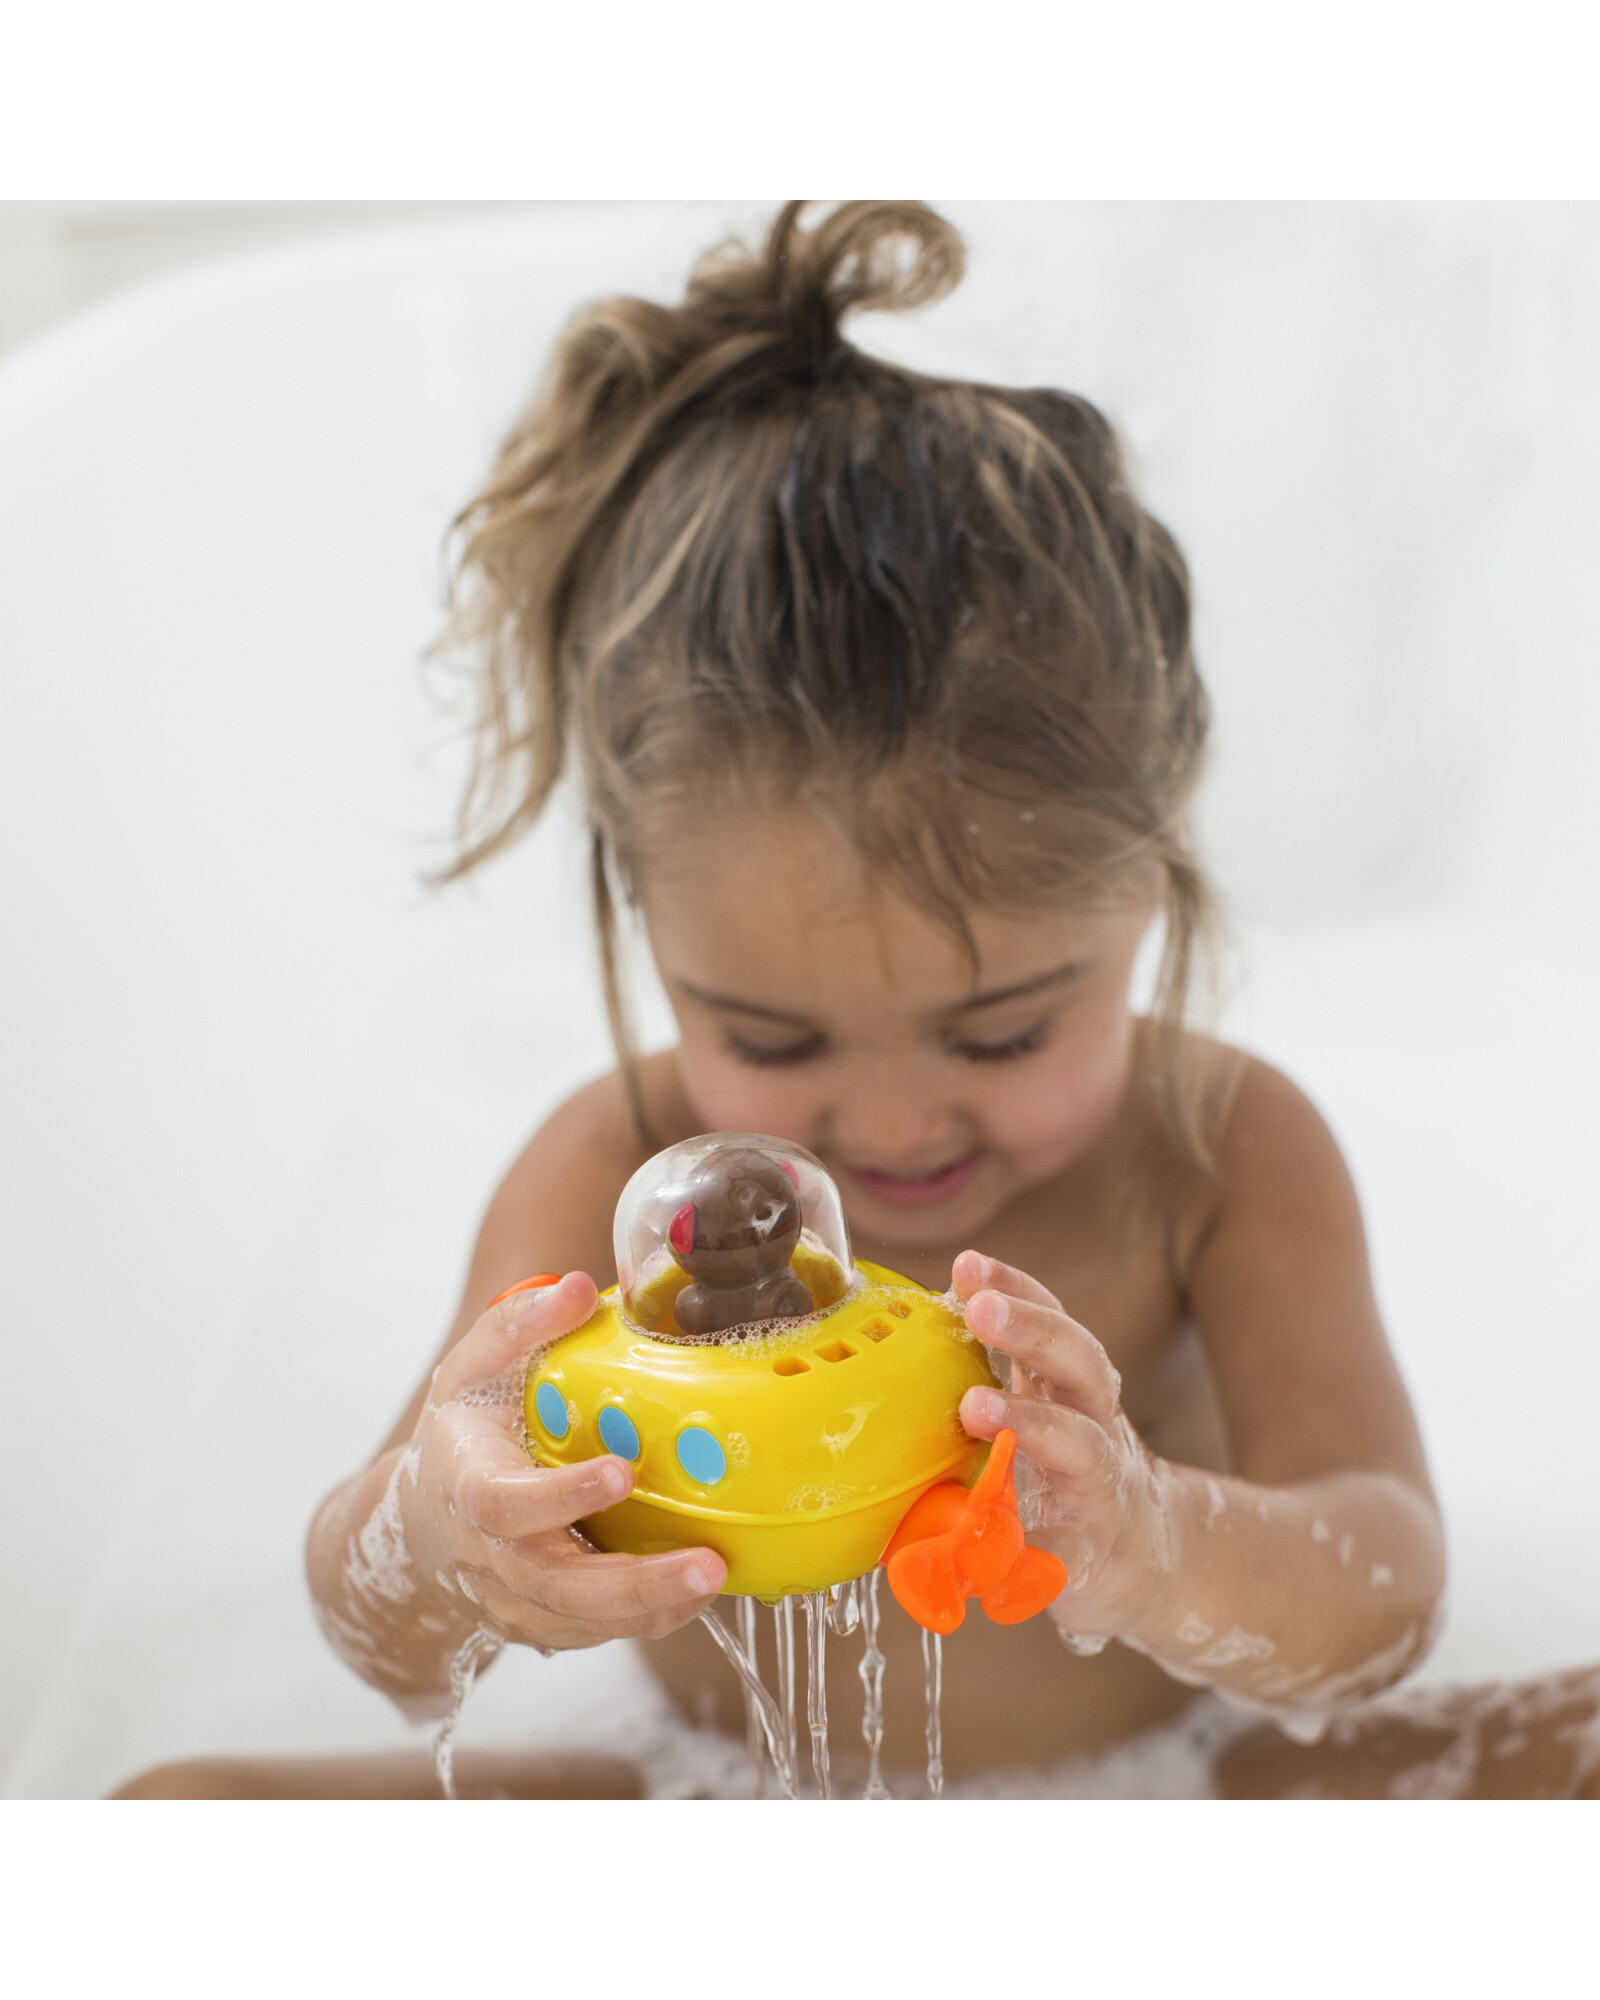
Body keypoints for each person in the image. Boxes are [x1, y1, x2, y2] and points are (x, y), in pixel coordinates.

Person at [118, 202, 1599, 1799]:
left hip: (1185, 1799)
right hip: (710, 1806)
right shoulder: (601, 1174)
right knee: (165, 1825)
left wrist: (1160, 1540)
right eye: (769, 1037)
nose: (891, 1122)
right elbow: (386, 1648)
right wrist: (439, 1539)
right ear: (642, 918)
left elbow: (1380, 1601)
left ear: (1149, 894)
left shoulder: (1222, 1151)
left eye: (1005, 1029)